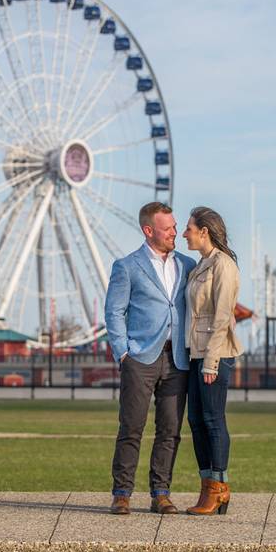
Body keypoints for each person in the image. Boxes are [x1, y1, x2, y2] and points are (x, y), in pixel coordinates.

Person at [105, 202, 197, 515]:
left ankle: (161, 493)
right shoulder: (127, 266)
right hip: (140, 358)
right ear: (149, 230)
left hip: (178, 360)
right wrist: (123, 352)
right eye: (168, 227)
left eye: (174, 226)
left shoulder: (187, 265)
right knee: (131, 427)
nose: (175, 232)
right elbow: (114, 311)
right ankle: (122, 493)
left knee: (170, 429)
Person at [181, 206, 243, 516]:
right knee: (196, 420)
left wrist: (211, 361)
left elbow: (221, 316)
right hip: (195, 352)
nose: (184, 234)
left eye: (189, 228)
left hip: (214, 355)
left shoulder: (224, 265)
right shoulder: (200, 265)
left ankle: (219, 487)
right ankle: (207, 485)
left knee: (213, 420)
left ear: (204, 231)